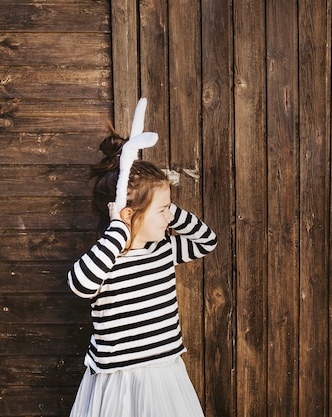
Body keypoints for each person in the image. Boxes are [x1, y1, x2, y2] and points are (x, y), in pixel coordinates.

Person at [67, 130, 218, 417]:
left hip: (163, 376)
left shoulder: (162, 249)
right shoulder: (106, 258)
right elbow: (80, 285)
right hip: (118, 383)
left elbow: (207, 240)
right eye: (162, 210)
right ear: (130, 215)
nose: (170, 217)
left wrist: (167, 206)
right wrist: (117, 232)